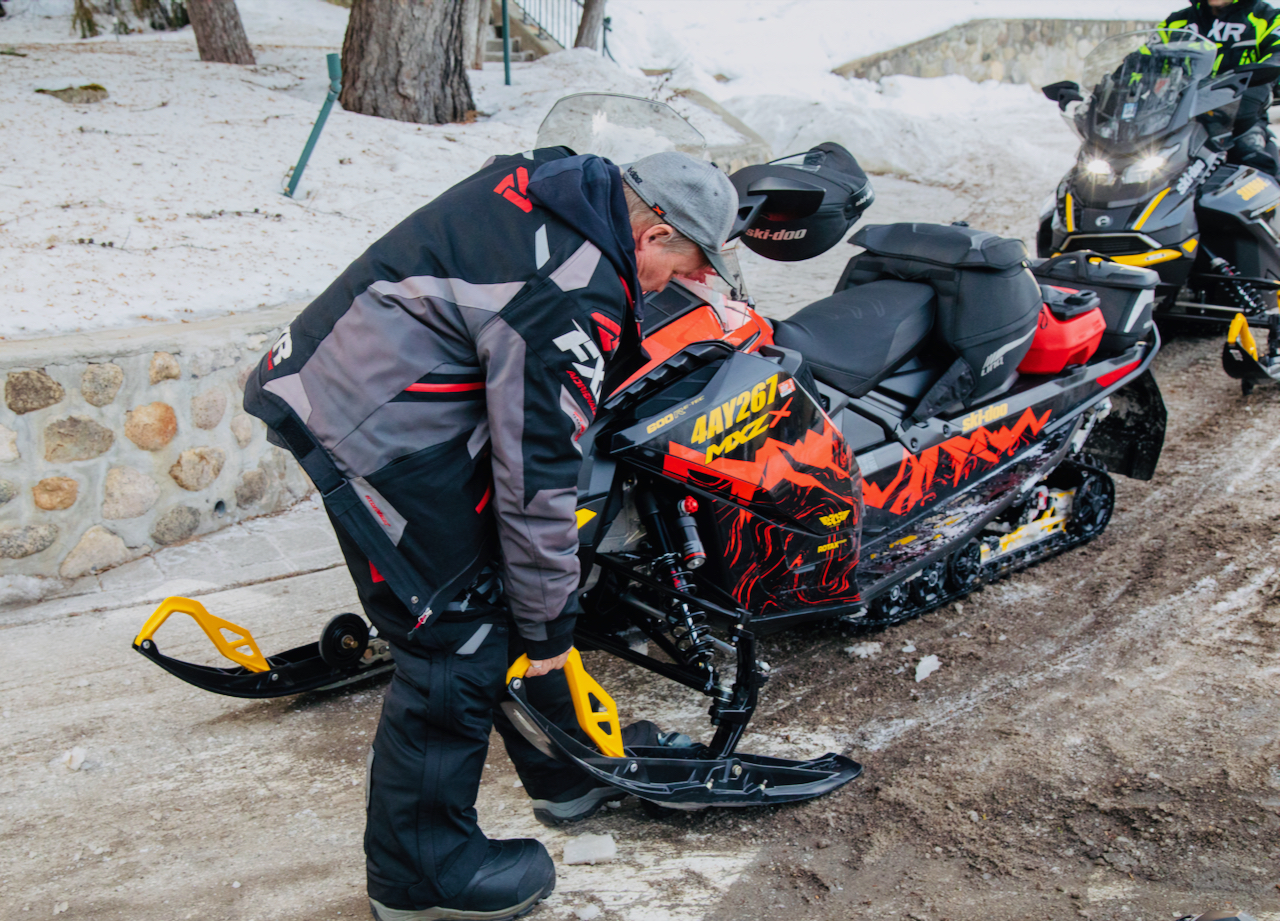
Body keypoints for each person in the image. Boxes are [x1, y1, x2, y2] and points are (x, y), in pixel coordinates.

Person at [242, 147, 738, 921]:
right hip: (371, 420)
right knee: (457, 629)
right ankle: (421, 876)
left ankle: (563, 770)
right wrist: (547, 629)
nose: (670, 288)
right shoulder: (577, 290)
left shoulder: (562, 183)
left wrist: (540, 608)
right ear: (654, 234)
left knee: (503, 591)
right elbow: (537, 474)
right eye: (679, 270)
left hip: (362, 375)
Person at [1160, 0, 1280, 175]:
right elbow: (1143, 60)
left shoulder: (1267, 18)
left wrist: (1260, 77)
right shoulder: (1177, 23)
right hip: (1175, 120)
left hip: (1239, 120)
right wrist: (1114, 86)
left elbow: (1278, 55)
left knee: (1257, 162)